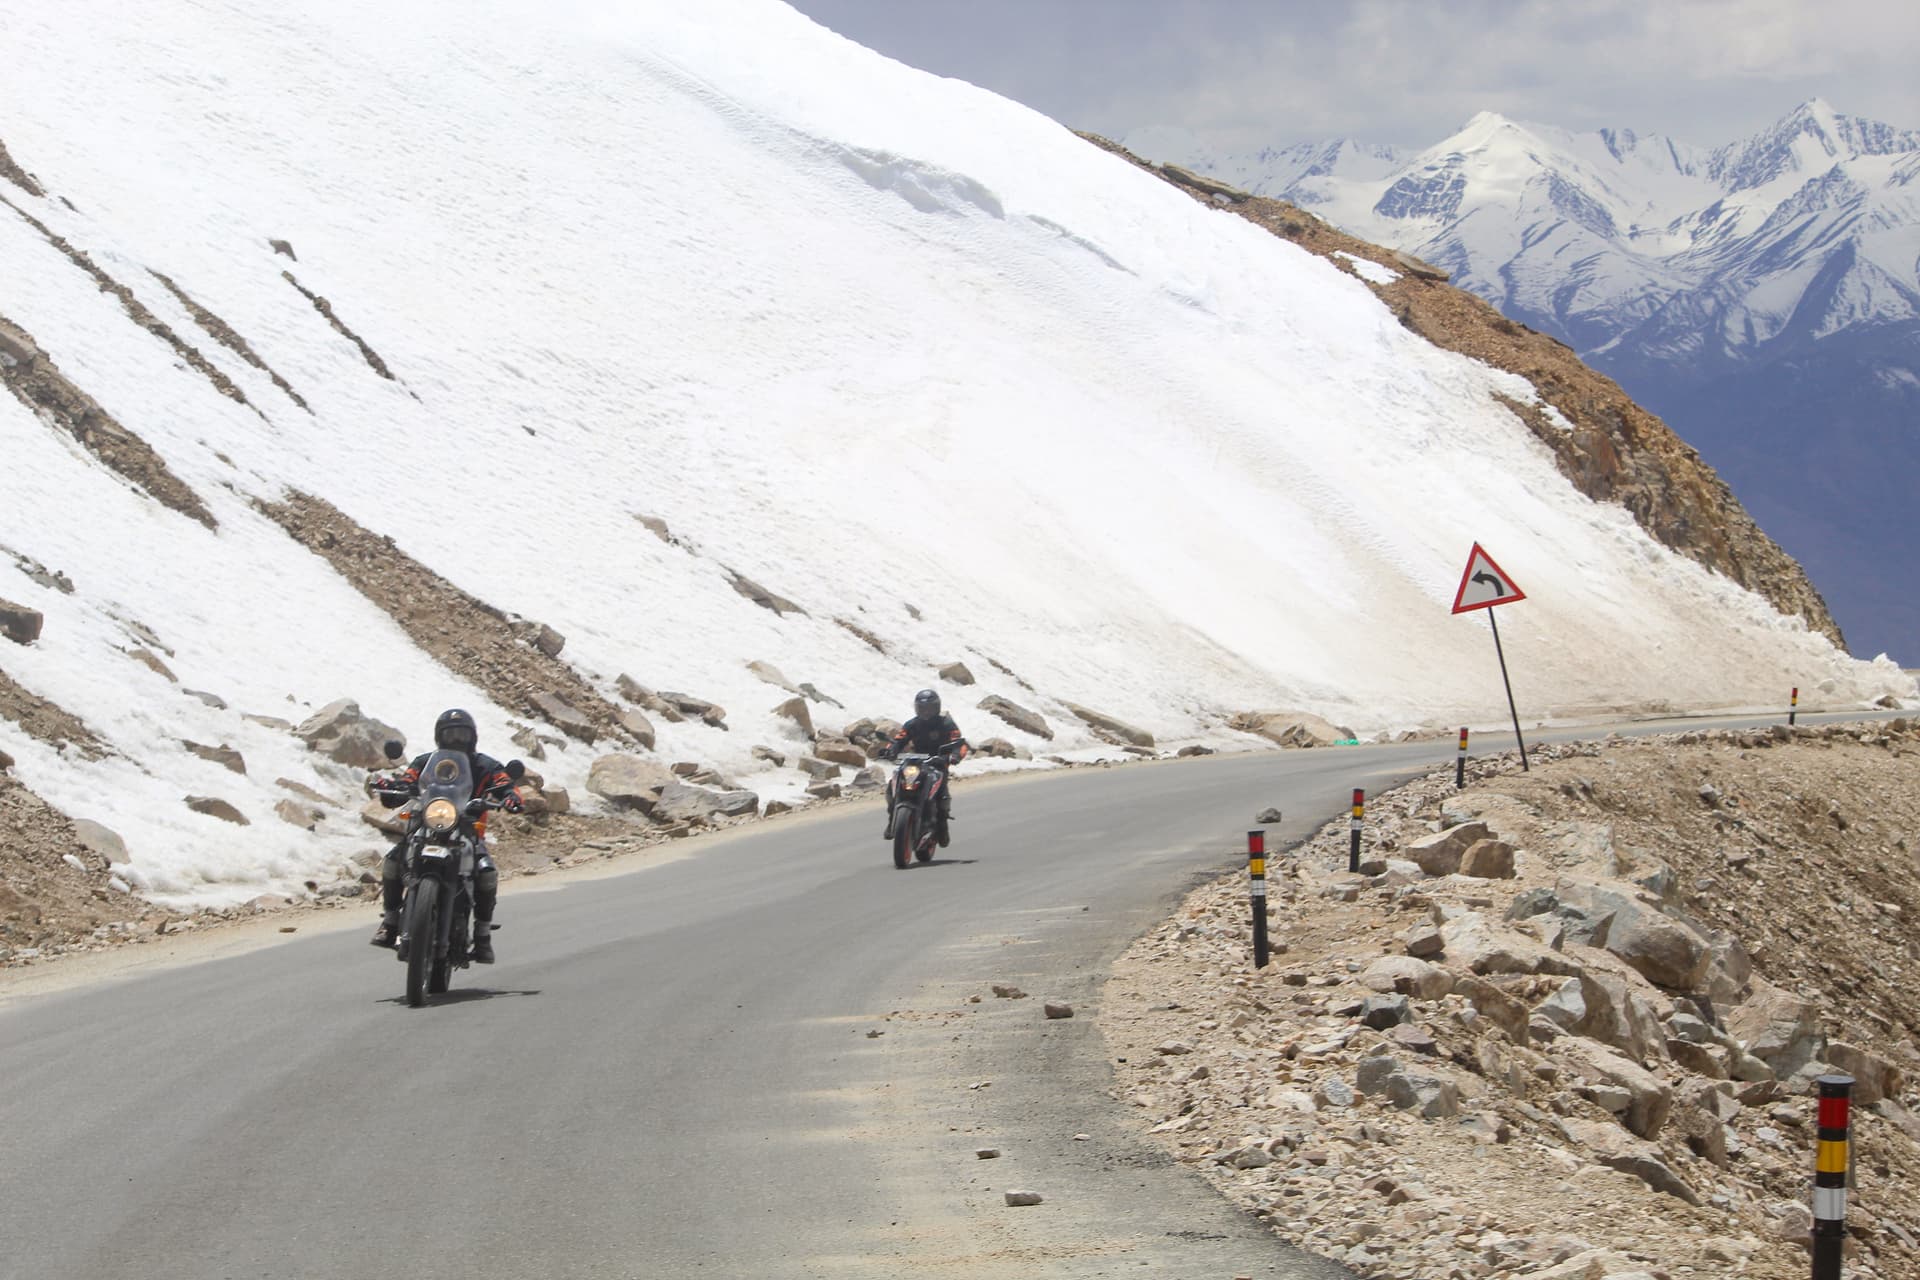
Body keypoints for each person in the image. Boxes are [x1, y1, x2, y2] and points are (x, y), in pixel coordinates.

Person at [369, 708, 522, 962]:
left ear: (472, 737)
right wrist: (392, 787)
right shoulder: (424, 762)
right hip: (427, 824)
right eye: (450, 735)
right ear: (440, 737)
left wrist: (511, 796)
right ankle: (390, 922)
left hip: (468, 830)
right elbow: (408, 780)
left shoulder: (485, 765)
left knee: (487, 873)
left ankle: (482, 935)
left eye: (462, 735)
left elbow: (504, 782)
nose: (456, 741)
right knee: (393, 862)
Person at [878, 688, 970, 845]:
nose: (926, 712)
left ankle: (942, 826)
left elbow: (960, 743)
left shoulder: (946, 724)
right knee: (893, 784)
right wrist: (890, 750)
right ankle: (892, 817)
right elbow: (899, 739)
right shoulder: (912, 724)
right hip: (915, 762)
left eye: (929, 709)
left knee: (942, 794)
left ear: (937, 708)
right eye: (922, 709)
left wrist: (954, 755)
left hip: (938, 763)